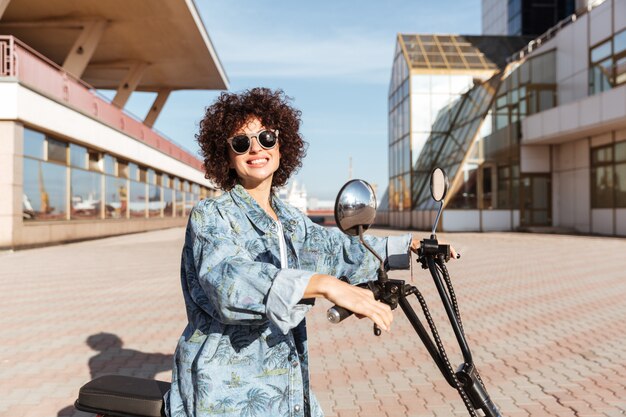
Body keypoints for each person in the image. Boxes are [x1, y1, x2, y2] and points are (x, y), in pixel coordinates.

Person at [165, 88, 416, 417]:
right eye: (241, 142)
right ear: (226, 157)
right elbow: (230, 283)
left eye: (266, 138)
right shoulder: (211, 216)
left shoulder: (290, 220)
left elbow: (337, 249)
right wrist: (324, 284)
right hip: (227, 394)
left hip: (288, 386)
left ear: (281, 145)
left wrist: (409, 247)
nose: (256, 148)